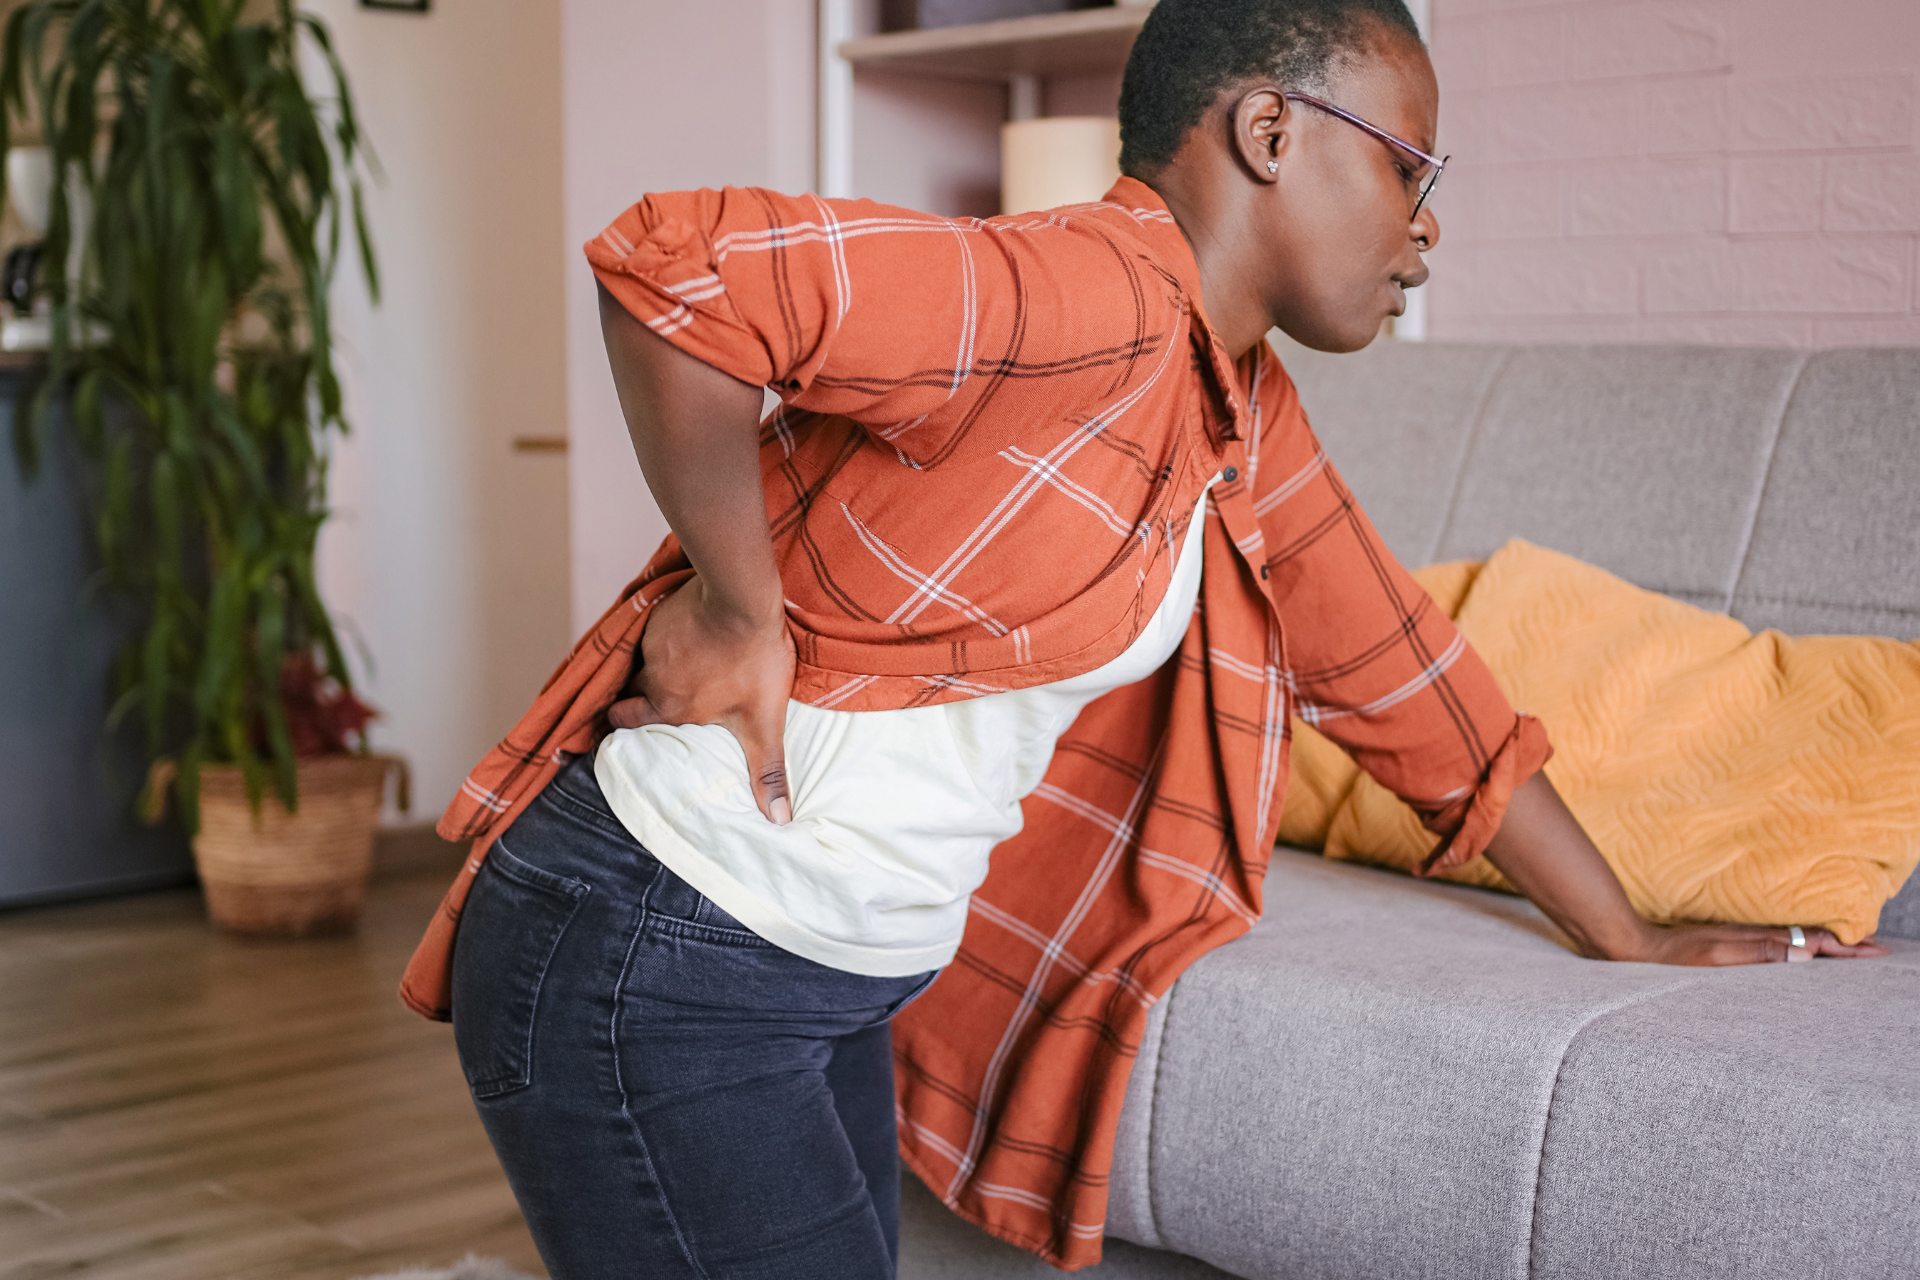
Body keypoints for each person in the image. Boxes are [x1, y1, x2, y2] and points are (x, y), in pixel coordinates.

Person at [403, 1, 1888, 1276]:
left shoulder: (1239, 420)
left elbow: (1411, 686)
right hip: (665, 954)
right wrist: (740, 604)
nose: (1427, 230)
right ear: (1269, 131)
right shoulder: (1083, 292)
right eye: (1410, 168)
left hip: (799, 978)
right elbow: (682, 272)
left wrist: (1621, 927)